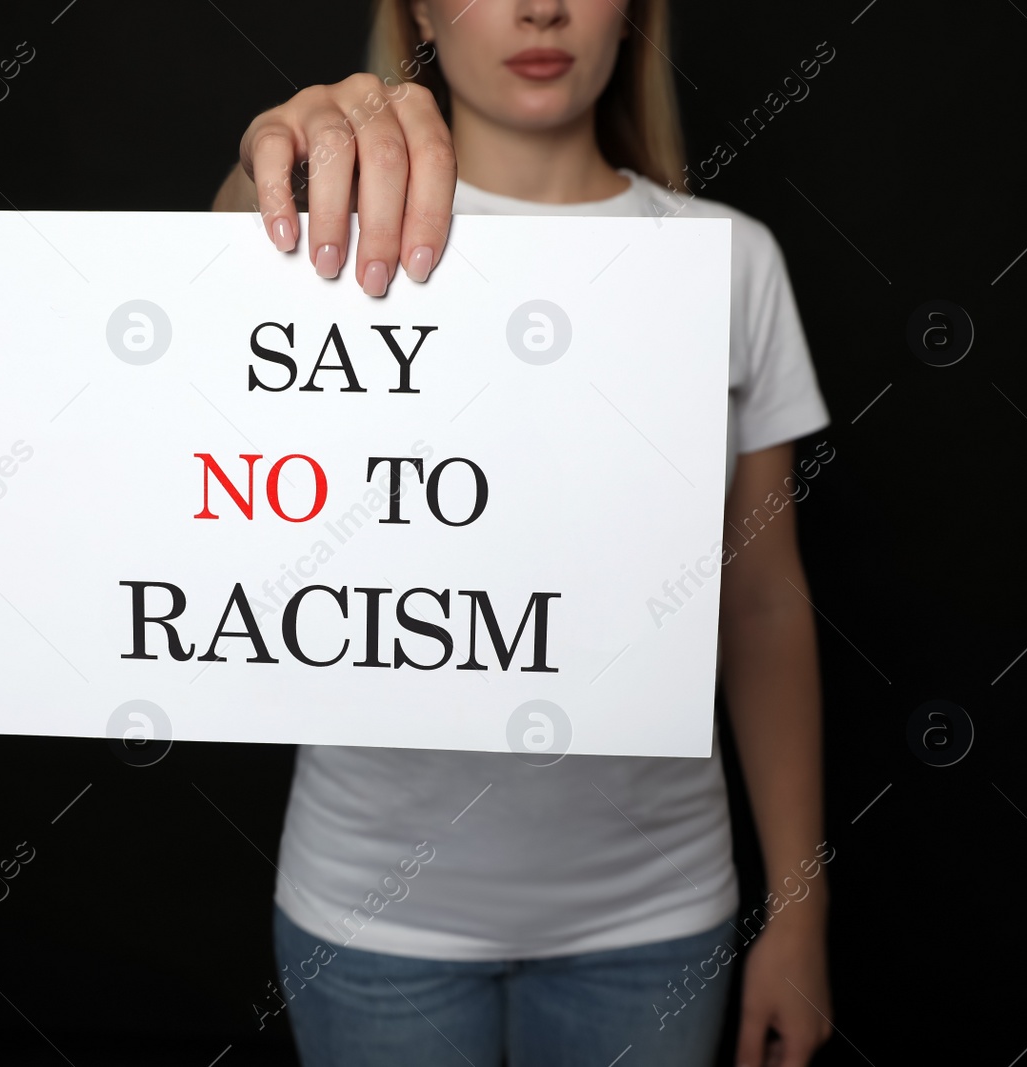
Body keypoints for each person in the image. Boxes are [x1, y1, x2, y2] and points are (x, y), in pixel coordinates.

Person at [211, 2, 834, 1064]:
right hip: (368, 912)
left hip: (653, 919)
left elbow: (761, 597)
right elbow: (223, 264)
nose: (538, 7)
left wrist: (801, 908)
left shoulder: (729, 259)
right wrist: (269, 167)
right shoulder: (335, 242)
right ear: (415, 11)